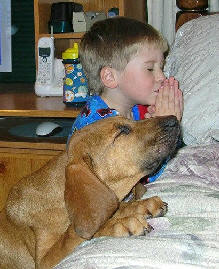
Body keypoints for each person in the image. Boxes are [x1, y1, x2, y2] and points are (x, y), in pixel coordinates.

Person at [68, 16, 183, 185]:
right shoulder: (99, 128)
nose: (162, 76)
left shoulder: (137, 110)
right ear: (110, 76)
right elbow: (139, 180)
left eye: (162, 67)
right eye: (150, 68)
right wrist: (165, 128)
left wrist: (158, 127)